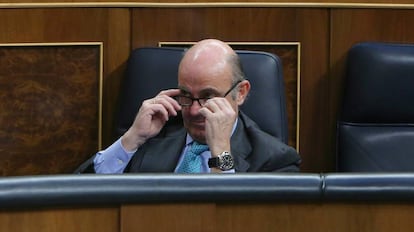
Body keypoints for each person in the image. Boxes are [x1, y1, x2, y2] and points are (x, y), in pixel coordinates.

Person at [76, 39, 301, 174]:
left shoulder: (276, 160)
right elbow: (81, 196)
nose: (194, 111)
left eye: (208, 96)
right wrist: (130, 140)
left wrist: (221, 152)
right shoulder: (153, 136)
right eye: (185, 95)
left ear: (240, 93)